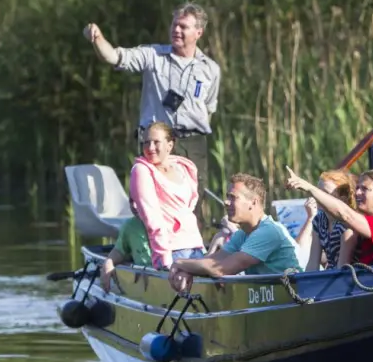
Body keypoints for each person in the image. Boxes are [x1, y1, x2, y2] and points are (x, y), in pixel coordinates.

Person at [82, 1, 221, 225]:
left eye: (183, 27)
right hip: (157, 141)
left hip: (194, 142)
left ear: (198, 32)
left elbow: (209, 109)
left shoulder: (210, 69)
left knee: (193, 202)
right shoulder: (153, 55)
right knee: (151, 200)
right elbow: (114, 57)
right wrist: (97, 38)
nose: (176, 30)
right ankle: (151, 253)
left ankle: (191, 254)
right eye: (174, 25)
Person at [168, 174, 302, 292]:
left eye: (233, 197)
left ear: (253, 202)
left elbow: (220, 269)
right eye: (227, 197)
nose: (226, 202)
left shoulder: (268, 231)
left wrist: (179, 263)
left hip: (297, 297)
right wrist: (188, 270)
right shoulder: (242, 234)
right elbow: (214, 260)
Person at [130, 122, 205, 270]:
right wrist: (164, 260)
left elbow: (189, 207)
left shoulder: (183, 168)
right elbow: (152, 219)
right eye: (146, 142)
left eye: (156, 142)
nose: (150, 147)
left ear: (170, 145)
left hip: (196, 246)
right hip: (173, 252)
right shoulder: (141, 171)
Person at [285, 167, 373, 265]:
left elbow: (345, 215)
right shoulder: (323, 221)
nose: (357, 193)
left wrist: (308, 187)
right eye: (357, 188)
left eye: (365, 189)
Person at [296, 170, 357, 271]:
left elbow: (342, 269)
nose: (318, 196)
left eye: (326, 193)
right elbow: (313, 263)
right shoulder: (319, 220)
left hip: (349, 276)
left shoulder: (346, 225)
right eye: (318, 191)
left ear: (342, 198)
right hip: (330, 274)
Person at [100, 198, 151, 292]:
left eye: (139, 198)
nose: (134, 206)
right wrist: (108, 263)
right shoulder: (130, 226)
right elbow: (120, 251)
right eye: (131, 201)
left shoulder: (172, 223)